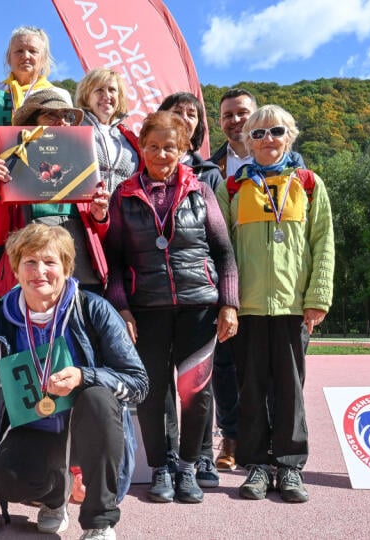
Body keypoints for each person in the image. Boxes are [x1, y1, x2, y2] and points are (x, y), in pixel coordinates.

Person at [0, 223, 148, 540]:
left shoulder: (94, 309)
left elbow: (139, 382)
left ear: (66, 267)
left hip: (87, 430)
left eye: (50, 262)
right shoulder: (1, 321)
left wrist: (83, 376)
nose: (40, 271)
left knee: (98, 397)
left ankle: (99, 524)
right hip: (35, 428)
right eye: (30, 262)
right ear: (16, 271)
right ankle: (54, 499)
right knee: (6, 478)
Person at [104, 111, 239, 505]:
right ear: (141, 148)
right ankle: (160, 467)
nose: (161, 154)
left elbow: (224, 253)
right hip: (146, 308)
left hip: (198, 306)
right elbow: (111, 261)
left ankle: (187, 467)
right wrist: (122, 309)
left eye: (170, 147)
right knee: (153, 392)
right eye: (153, 147)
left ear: (183, 150)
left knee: (194, 391)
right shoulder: (123, 194)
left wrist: (229, 303)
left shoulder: (202, 191)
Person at [216, 104, 335, 503]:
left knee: (289, 388)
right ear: (246, 141)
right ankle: (256, 467)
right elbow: (222, 249)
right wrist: (226, 301)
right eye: (258, 133)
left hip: (293, 307)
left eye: (277, 131)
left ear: (292, 136)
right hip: (246, 306)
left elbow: (324, 245)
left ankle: (288, 466)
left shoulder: (309, 183)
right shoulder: (232, 187)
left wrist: (317, 297)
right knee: (250, 388)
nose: (268, 139)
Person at [206, 88, 305, 472]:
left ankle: (280, 454)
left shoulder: (300, 173)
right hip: (235, 290)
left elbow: (315, 237)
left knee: (281, 377)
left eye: (243, 113)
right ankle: (234, 441)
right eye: (228, 115)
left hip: (283, 292)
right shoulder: (213, 167)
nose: (236, 120)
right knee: (230, 371)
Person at [157, 91, 227, 486]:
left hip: (199, 290)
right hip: (154, 292)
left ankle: (201, 455)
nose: (185, 118)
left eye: (192, 114)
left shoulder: (209, 174)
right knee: (162, 379)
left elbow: (219, 242)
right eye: (176, 112)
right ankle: (167, 458)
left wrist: (223, 296)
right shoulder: (143, 165)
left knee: (198, 379)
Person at [0, 89, 111, 297]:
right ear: (31, 123)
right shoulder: (11, 167)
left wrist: (100, 216)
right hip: (32, 281)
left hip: (83, 277)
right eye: (51, 115)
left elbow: (99, 236)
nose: (61, 122)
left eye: (66, 117)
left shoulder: (84, 166)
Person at [0, 25, 71, 180]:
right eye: (19, 51)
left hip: (45, 179)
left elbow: (69, 139)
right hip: (1, 175)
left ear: (43, 59)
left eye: (33, 51)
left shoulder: (59, 95)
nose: (26, 55)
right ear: (9, 58)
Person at [74, 68, 141, 193]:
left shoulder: (129, 137)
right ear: (86, 96)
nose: (106, 95)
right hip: (84, 210)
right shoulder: (73, 129)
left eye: (112, 90)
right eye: (99, 90)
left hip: (122, 211)